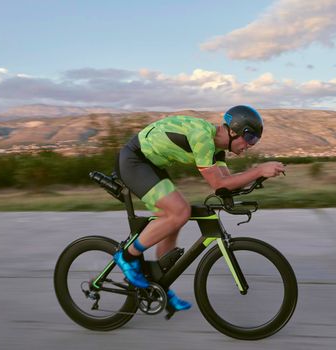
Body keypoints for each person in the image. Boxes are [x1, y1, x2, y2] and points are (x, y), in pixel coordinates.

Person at [114, 105, 286, 312]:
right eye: (250, 138)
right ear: (233, 131)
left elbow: (227, 183)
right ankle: (127, 257)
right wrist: (258, 170)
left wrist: (258, 178)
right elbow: (218, 185)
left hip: (151, 165)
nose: (250, 145)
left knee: (174, 220)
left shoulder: (218, 149)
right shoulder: (203, 137)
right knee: (180, 212)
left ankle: (160, 286)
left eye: (255, 141)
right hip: (135, 160)